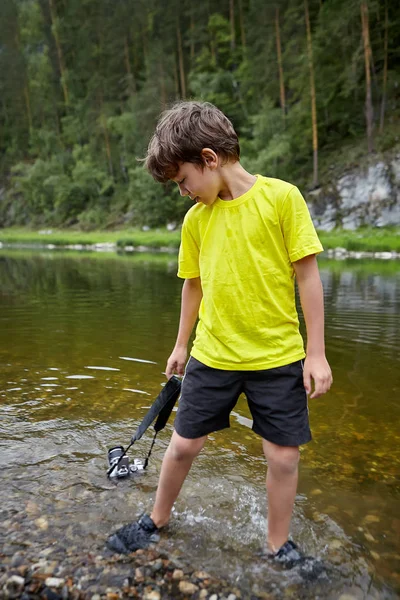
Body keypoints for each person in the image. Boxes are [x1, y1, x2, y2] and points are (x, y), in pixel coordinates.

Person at [106, 101, 333, 565]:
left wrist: (317, 354)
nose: (183, 191)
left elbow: (308, 276)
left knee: (284, 457)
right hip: (213, 355)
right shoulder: (196, 221)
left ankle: (278, 544)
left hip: (277, 357)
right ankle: (157, 518)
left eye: (183, 180)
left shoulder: (283, 199)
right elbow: (194, 284)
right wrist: (180, 345)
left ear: (209, 159)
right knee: (184, 444)